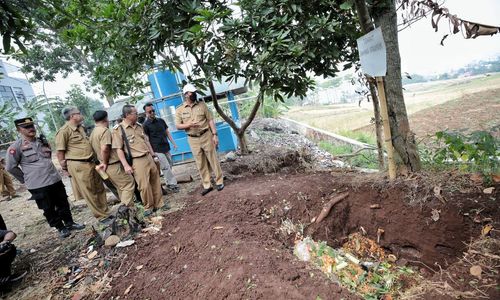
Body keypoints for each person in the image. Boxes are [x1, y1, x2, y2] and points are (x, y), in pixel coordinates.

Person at [6, 117, 85, 238]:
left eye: (32, 126)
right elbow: (11, 167)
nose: (31, 129)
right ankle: (60, 227)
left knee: (63, 202)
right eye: (26, 127)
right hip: (38, 184)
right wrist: (25, 179)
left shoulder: (42, 141)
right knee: (48, 208)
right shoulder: (15, 147)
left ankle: (69, 223)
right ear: (19, 130)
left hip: (54, 179)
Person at [55, 107, 110, 221]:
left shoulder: (81, 127)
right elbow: (60, 152)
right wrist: (65, 168)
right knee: (89, 191)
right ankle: (101, 217)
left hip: (91, 162)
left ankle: (106, 212)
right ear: (72, 116)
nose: (81, 115)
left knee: (99, 188)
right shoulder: (64, 131)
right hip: (78, 164)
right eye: (79, 113)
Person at [112, 105, 166, 215]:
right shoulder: (119, 130)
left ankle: (159, 204)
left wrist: (153, 155)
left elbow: (146, 141)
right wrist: (126, 165)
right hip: (137, 160)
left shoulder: (139, 126)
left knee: (155, 181)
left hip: (148, 157)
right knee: (144, 186)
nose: (138, 115)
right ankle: (149, 207)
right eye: (135, 113)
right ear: (127, 115)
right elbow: (119, 150)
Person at [175, 83, 224, 196]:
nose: (194, 94)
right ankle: (207, 184)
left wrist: (214, 134)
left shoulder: (202, 105)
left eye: (194, 92)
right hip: (193, 139)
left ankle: (219, 181)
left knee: (213, 159)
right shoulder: (180, 110)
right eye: (192, 92)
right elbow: (178, 126)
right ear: (186, 94)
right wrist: (189, 125)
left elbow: (210, 120)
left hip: (206, 135)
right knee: (200, 162)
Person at [90, 111, 135, 206]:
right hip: (112, 164)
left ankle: (130, 213)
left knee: (121, 188)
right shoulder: (104, 131)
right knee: (128, 185)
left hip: (106, 166)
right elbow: (105, 148)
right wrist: (105, 162)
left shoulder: (93, 132)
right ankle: (125, 211)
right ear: (106, 118)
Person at [142, 102, 179, 193]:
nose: (152, 113)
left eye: (153, 110)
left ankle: (168, 182)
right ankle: (172, 184)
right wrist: (152, 153)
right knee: (165, 167)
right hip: (156, 149)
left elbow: (167, 132)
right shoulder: (145, 125)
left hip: (166, 146)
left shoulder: (161, 121)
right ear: (146, 113)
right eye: (149, 111)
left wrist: (174, 143)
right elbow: (146, 140)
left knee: (170, 165)